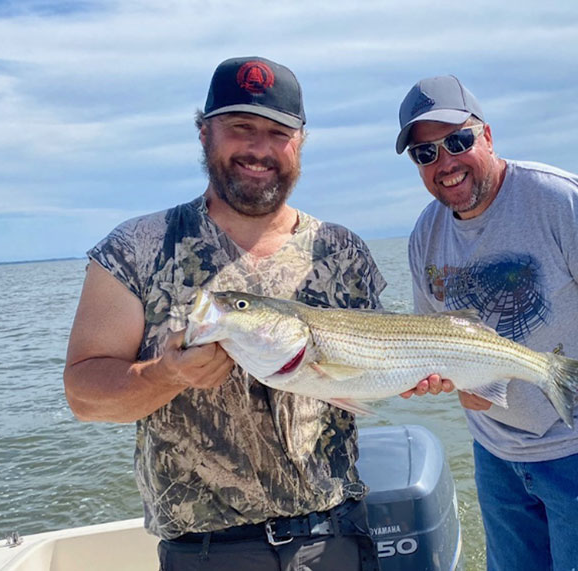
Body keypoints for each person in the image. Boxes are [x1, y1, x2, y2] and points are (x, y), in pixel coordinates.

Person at [63, 57, 384, 571]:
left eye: (278, 133)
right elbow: (83, 397)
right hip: (207, 552)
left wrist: (429, 372)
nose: (259, 149)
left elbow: (375, 366)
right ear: (204, 134)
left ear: (300, 143)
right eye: (241, 128)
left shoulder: (342, 251)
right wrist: (167, 374)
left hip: (336, 537)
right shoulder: (135, 248)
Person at [396, 75, 578, 570]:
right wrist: (448, 382)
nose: (445, 163)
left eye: (457, 141)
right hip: (495, 454)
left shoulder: (560, 202)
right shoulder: (424, 236)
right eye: (425, 153)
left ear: (487, 136)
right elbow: (438, 347)